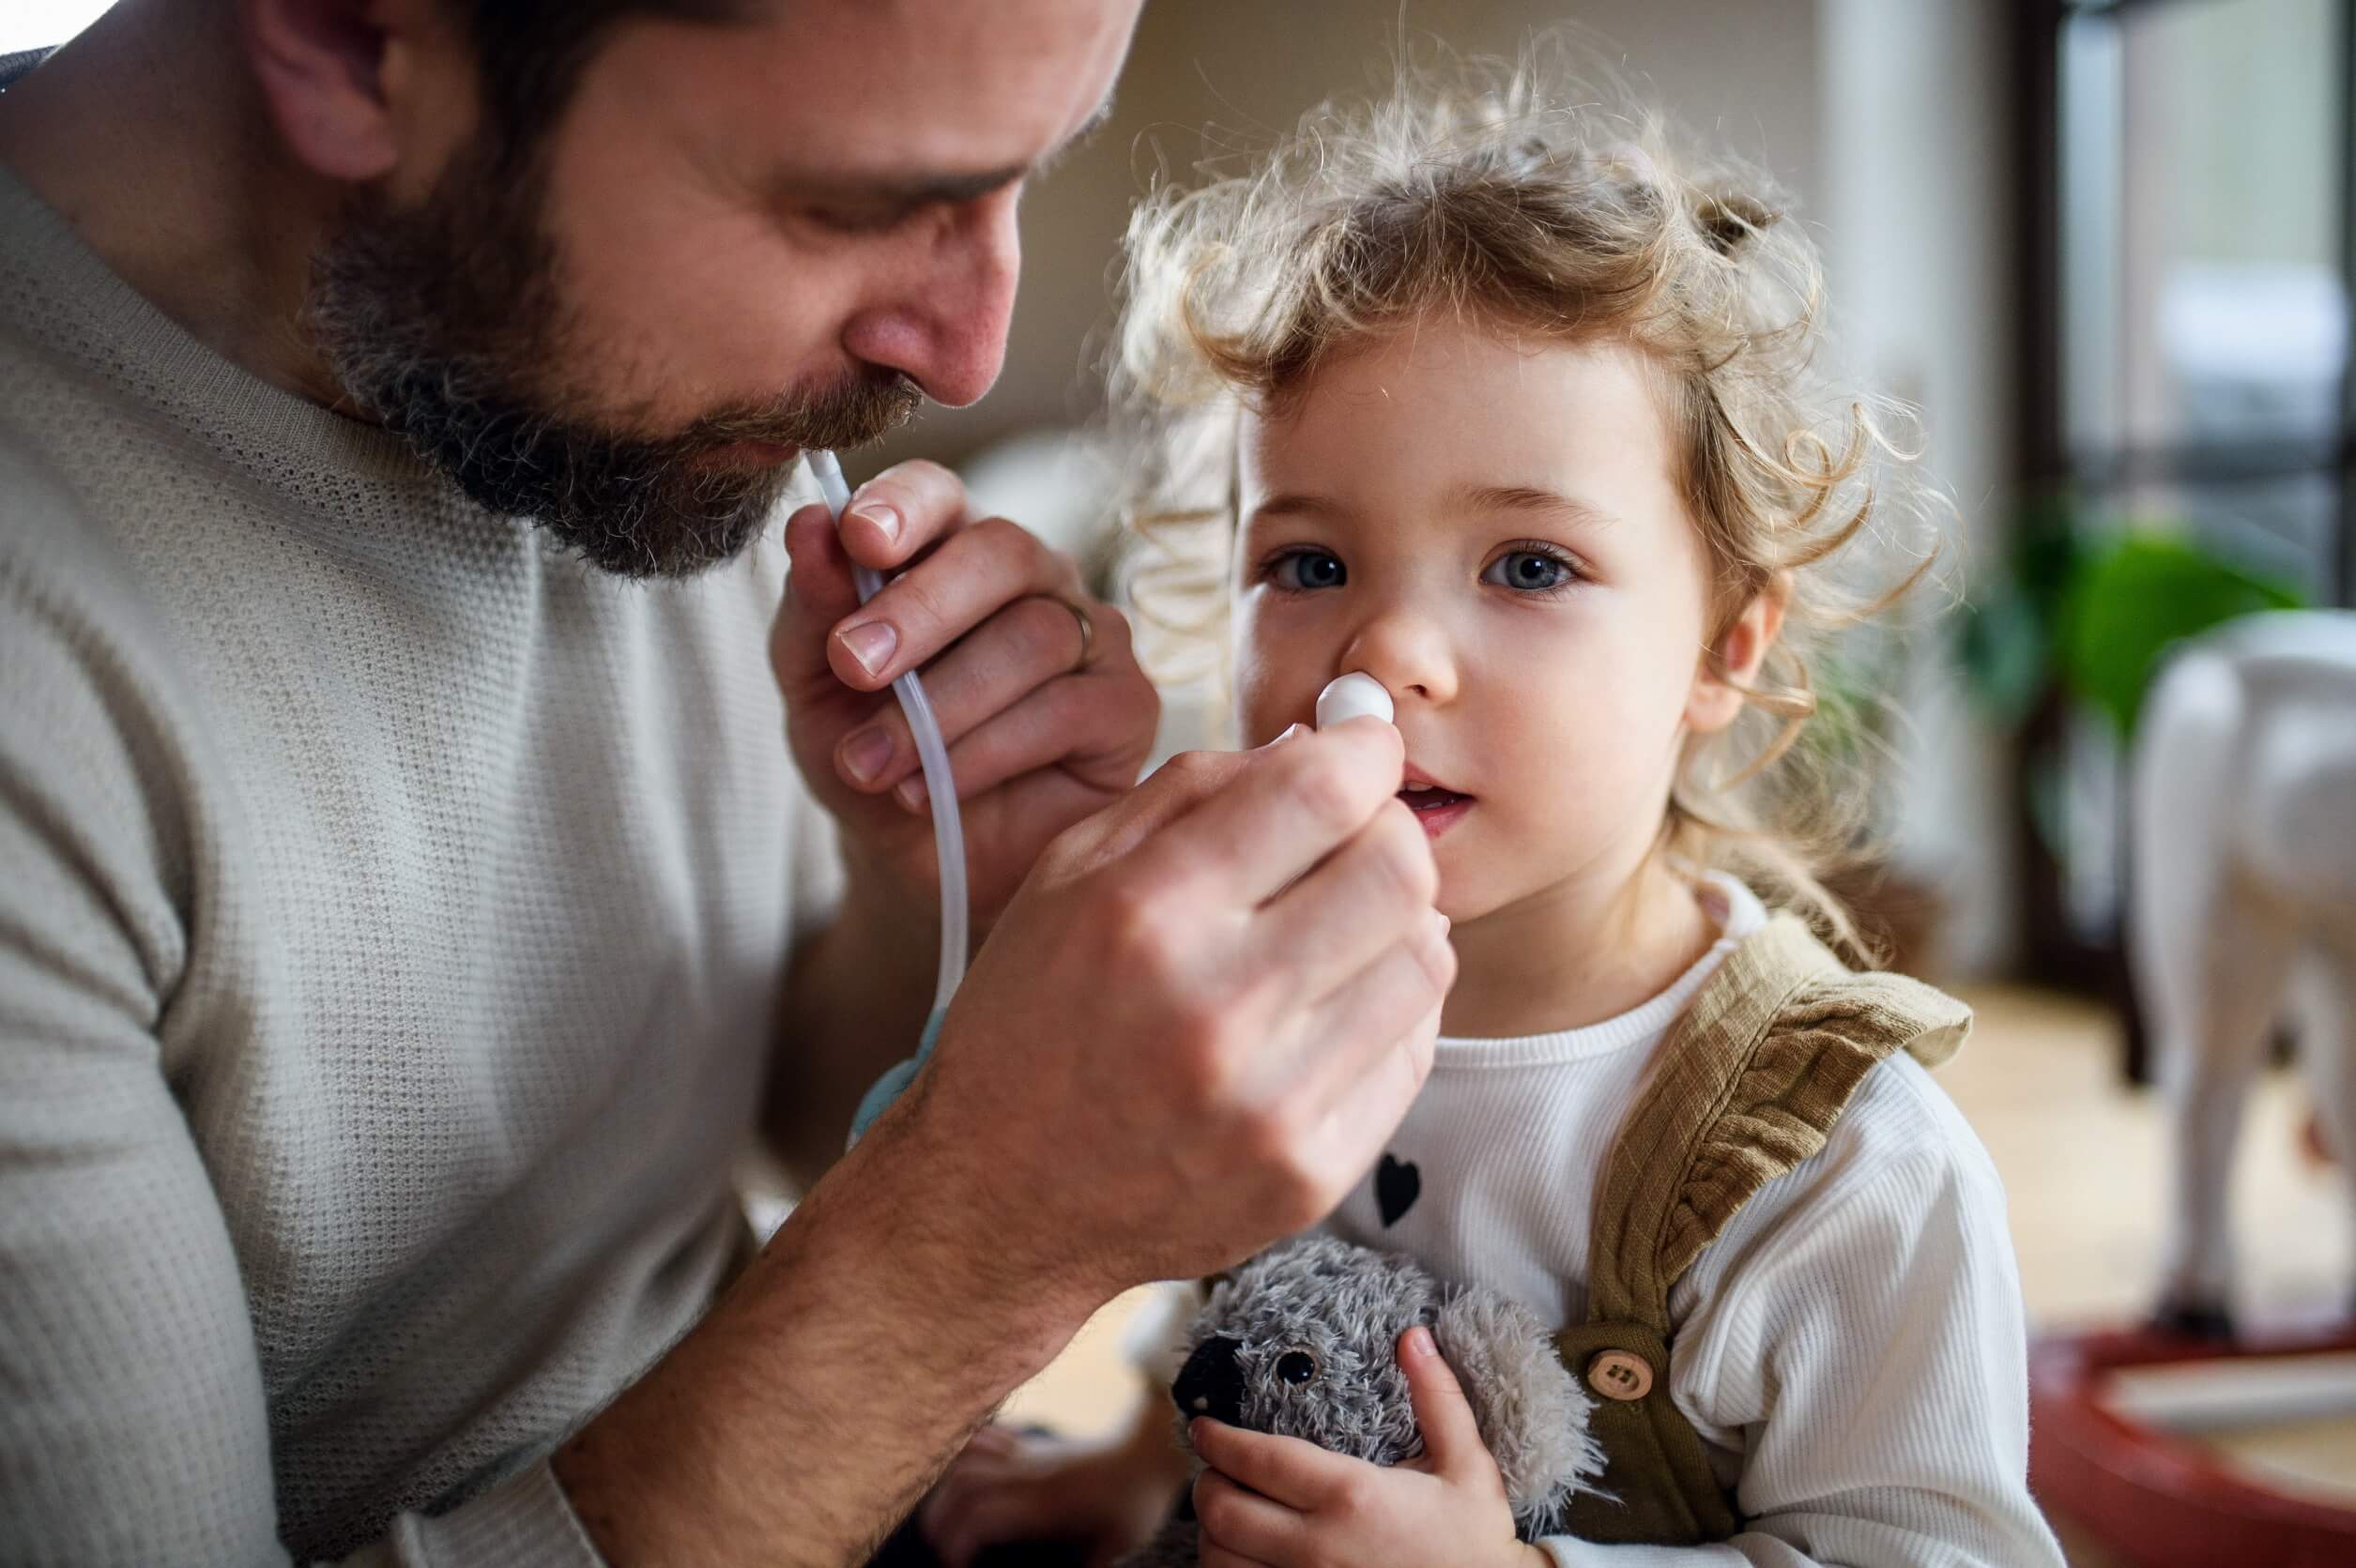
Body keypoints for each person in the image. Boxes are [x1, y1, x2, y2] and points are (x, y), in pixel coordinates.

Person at [0, 3, 1458, 1564]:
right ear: (355, 42)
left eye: (1019, 178)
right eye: (857, 202)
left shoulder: (589, 396)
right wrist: (971, 1251)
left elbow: (778, 1113)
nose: (963, 355)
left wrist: (938, 895)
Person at [917, 55, 2069, 1568]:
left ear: (1726, 646)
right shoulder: (1255, 1003)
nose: (1383, 654)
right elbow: (1251, 1297)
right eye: (1310, 566)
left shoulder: (1840, 1165)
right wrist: (1143, 1464)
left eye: (1527, 565)